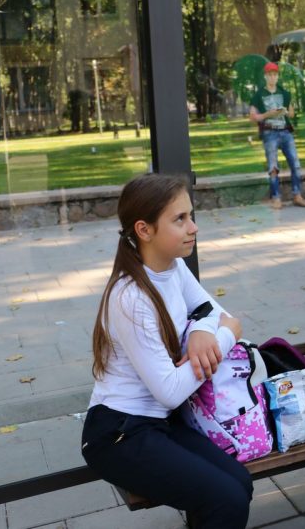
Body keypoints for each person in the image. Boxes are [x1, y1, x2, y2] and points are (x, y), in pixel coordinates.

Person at [81, 173, 253, 528]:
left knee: (240, 483)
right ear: (144, 230)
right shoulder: (130, 297)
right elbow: (171, 390)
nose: (194, 227)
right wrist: (223, 337)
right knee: (226, 498)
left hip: (158, 423)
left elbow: (214, 311)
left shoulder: (174, 268)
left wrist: (201, 334)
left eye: (191, 215)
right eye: (180, 219)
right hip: (118, 434)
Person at [249, 62, 305, 209]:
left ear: (278, 76)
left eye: (275, 74)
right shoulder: (258, 95)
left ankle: (297, 195)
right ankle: (275, 197)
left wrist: (285, 112)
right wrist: (267, 114)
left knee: (295, 163)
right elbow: (252, 116)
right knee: (273, 166)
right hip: (270, 133)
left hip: (285, 132)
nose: (272, 77)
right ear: (265, 76)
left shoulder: (285, 93)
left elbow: (292, 112)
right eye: (269, 74)